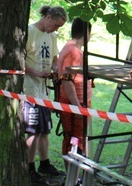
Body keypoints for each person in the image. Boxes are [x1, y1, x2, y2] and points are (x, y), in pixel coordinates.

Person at [23, 5, 67, 184]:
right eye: (55, 25)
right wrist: (36, 72)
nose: (56, 29)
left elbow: (55, 59)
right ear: (48, 17)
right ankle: (29, 167)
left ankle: (44, 163)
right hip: (30, 90)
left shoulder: (52, 37)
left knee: (44, 130)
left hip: (44, 91)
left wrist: (56, 70)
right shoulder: (29, 32)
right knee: (33, 130)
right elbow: (19, 61)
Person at [57, 17, 93, 157]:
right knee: (74, 140)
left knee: (78, 139)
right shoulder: (73, 51)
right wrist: (77, 106)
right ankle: (73, 177)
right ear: (86, 33)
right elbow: (67, 80)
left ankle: (76, 176)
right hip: (75, 103)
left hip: (78, 102)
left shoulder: (72, 49)